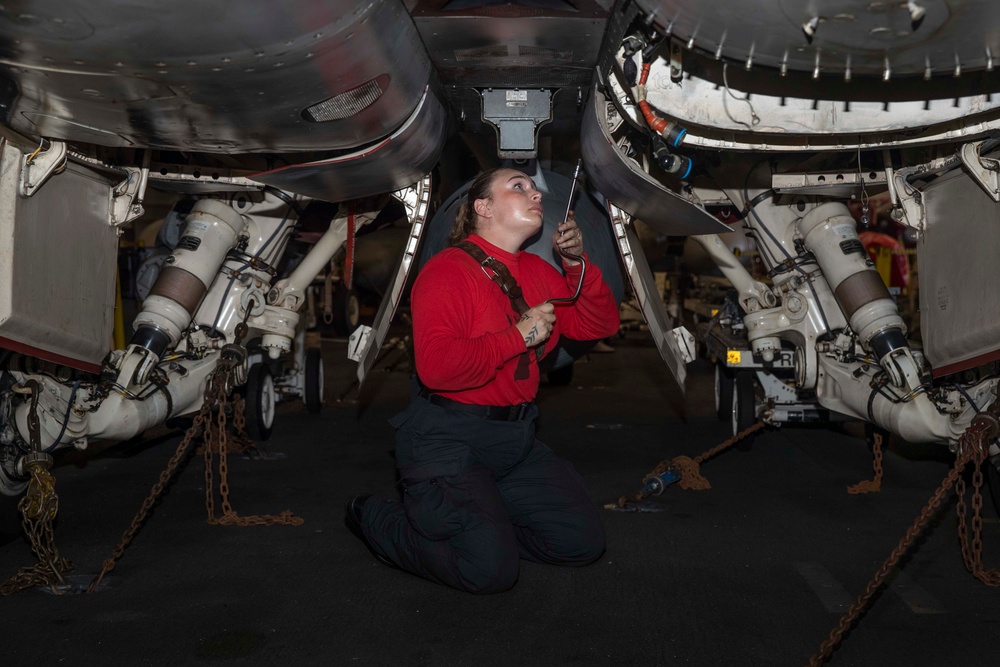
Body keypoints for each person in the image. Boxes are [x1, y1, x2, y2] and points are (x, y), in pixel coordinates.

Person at [345, 167, 620, 594]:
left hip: (514, 439)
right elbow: (438, 368)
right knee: (488, 572)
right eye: (518, 186)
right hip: (449, 441)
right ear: (483, 207)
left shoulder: (537, 272)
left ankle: (488, 527)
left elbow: (597, 324)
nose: (535, 194)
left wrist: (574, 264)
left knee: (579, 544)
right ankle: (375, 516)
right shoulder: (448, 270)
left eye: (533, 188)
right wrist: (516, 337)